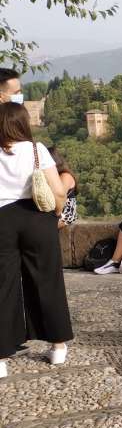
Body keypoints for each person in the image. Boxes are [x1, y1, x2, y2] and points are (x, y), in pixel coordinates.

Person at [0, 102, 72, 378]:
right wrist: (55, 211)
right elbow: (58, 191)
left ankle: (1, 359)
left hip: (1, 220)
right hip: (36, 219)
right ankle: (57, 346)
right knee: (46, 280)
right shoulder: (36, 149)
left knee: (2, 285)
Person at [49, 146, 78, 229]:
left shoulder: (65, 176)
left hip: (65, 216)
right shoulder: (58, 176)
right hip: (57, 215)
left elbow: (59, 197)